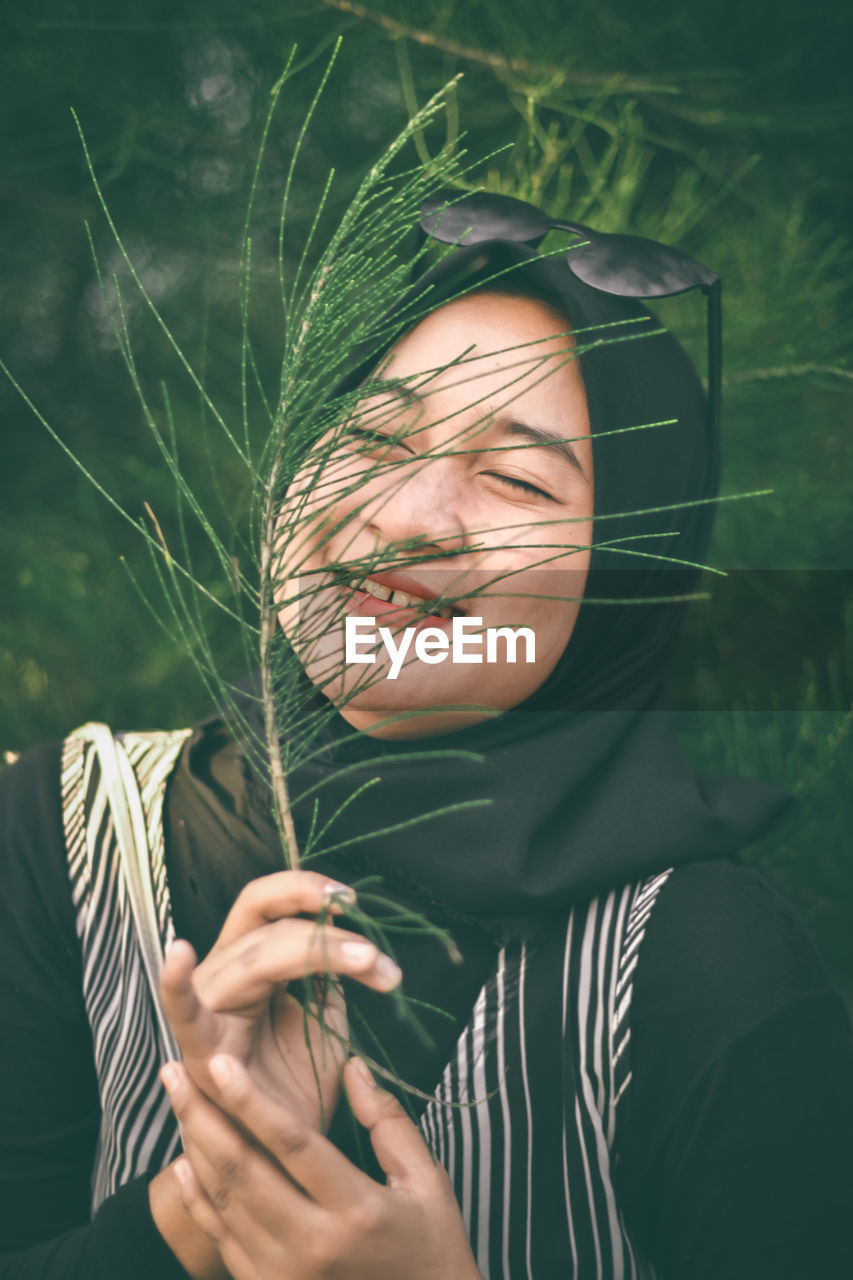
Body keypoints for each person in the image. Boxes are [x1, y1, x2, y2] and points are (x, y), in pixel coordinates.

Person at [1, 222, 852, 1280]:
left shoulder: (709, 968)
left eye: (518, 482)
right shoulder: (62, 831)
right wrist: (201, 1201)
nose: (408, 517)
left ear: (626, 586)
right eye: (372, 438)